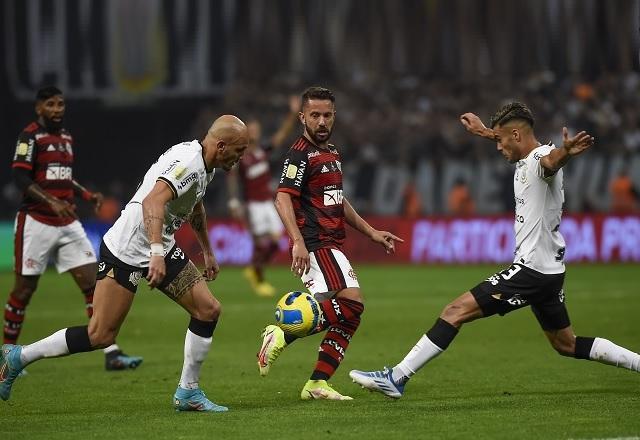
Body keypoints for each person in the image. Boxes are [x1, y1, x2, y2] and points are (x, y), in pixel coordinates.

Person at [350, 102, 640, 398]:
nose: (498, 147)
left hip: (532, 271)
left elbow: (551, 161)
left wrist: (564, 152)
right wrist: (485, 132)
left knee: (455, 311)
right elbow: (519, 144)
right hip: (549, 272)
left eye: (501, 140)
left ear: (515, 135)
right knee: (566, 344)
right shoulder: (525, 156)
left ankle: (397, 377)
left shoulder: (541, 160)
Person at [1, 115, 249, 412]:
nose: (241, 157)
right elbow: (152, 202)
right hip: (128, 248)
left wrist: (207, 250)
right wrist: (156, 252)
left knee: (208, 311)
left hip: (160, 245)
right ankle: (19, 356)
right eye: (240, 150)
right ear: (221, 146)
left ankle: (188, 392)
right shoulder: (189, 163)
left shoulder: (204, 166)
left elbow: (194, 203)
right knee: (100, 335)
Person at [256, 87, 403, 400]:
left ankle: (317, 383)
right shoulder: (299, 153)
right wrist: (297, 242)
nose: (322, 121)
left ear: (334, 116)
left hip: (332, 242)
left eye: (327, 115)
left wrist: (372, 232)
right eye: (315, 115)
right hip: (316, 243)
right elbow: (282, 196)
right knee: (353, 303)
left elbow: (338, 200)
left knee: (350, 314)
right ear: (302, 117)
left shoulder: (332, 152)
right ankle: (281, 332)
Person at [5, 86, 142, 371]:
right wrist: (51, 202)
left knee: (93, 284)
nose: (57, 109)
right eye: (51, 105)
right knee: (24, 290)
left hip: (68, 223)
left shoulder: (66, 137)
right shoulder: (30, 137)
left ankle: (111, 351)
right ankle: (7, 353)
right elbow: (19, 177)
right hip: (37, 222)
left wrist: (86, 195)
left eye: (61, 104)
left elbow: (64, 177)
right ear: (39, 108)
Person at [227, 95, 301, 297]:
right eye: (252, 130)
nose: (255, 132)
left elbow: (281, 136)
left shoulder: (262, 151)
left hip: (268, 203)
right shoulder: (240, 155)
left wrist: (293, 114)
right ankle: (258, 280)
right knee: (260, 243)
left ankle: (254, 270)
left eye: (257, 129)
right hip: (253, 206)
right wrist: (234, 201)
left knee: (277, 242)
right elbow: (232, 178)